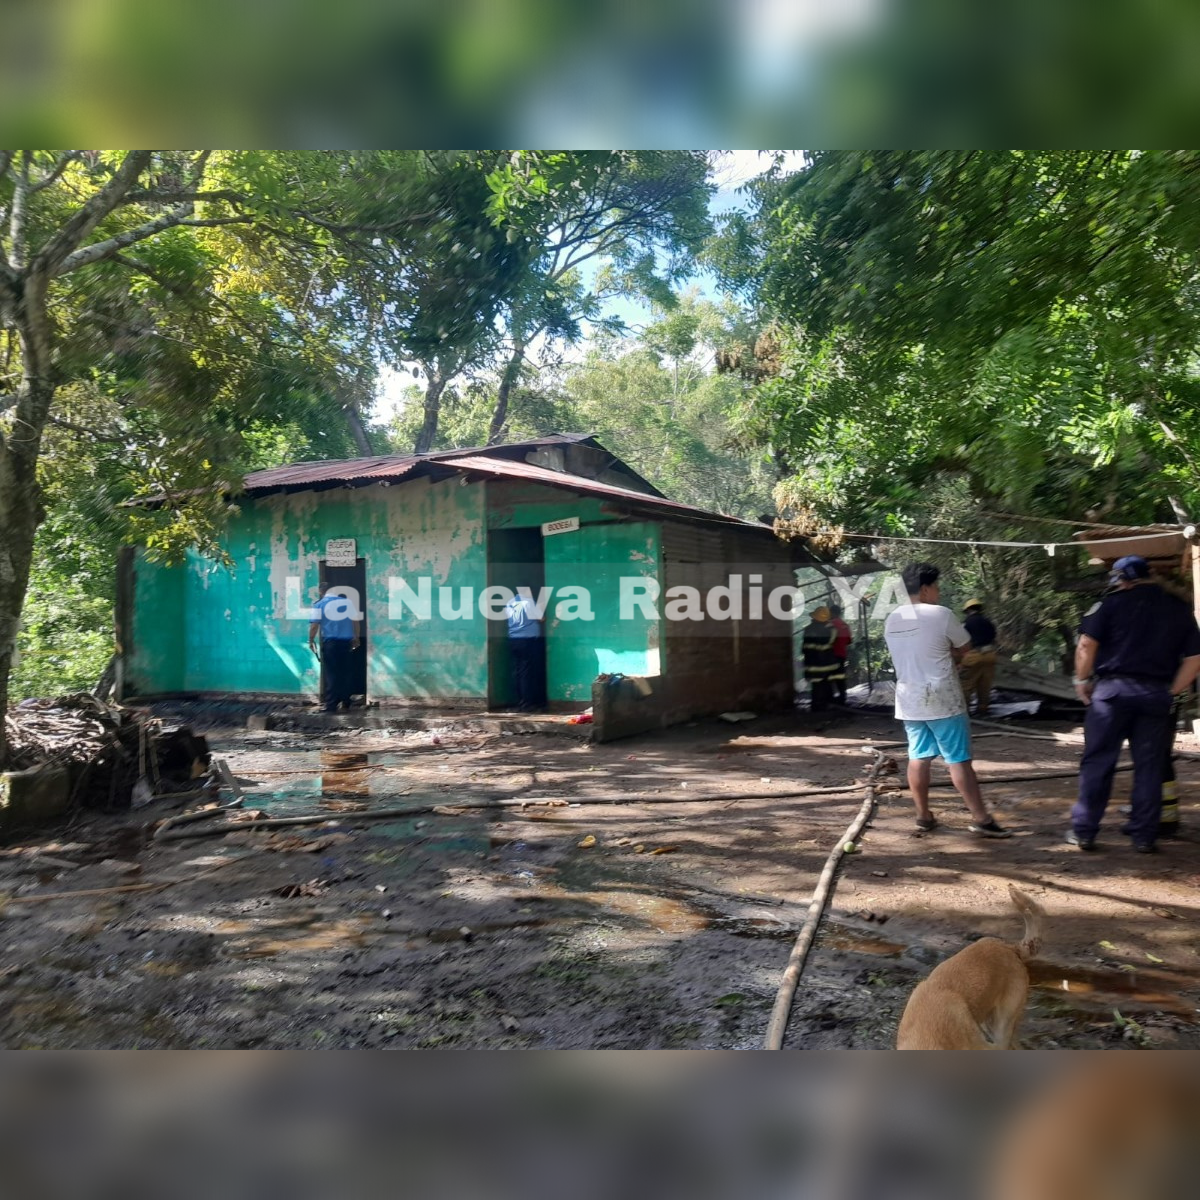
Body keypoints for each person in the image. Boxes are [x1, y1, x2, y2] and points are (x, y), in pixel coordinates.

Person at [1069, 555, 1200, 853]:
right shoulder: (1178, 608)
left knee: (1098, 762)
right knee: (1150, 766)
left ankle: (1085, 832)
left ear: (1121, 579)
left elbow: (1087, 644)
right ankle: (1144, 835)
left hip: (1112, 694)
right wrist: (1173, 690)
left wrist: (1081, 680)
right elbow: (1195, 658)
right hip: (1155, 696)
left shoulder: (1110, 604)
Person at [883, 562, 1011, 838]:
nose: (938, 592)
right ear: (926, 589)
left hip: (909, 700)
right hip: (942, 697)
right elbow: (964, 649)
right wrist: (948, 655)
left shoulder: (892, 618)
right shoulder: (940, 614)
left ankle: (923, 816)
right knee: (958, 760)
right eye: (937, 587)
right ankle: (981, 819)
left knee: (918, 757)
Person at [308, 582, 361, 713]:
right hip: (346, 643)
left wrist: (311, 640)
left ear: (321, 592)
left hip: (330, 643)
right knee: (345, 671)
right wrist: (356, 637)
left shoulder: (319, 604)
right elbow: (356, 621)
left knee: (331, 674)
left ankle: (331, 705)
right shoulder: (347, 602)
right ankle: (346, 702)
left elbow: (314, 625)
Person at [504, 589, 546, 712]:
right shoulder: (528, 602)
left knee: (518, 672)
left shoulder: (509, 602)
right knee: (528, 673)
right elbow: (541, 618)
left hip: (513, 640)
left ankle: (519, 700)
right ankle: (528, 702)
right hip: (528, 641)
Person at [960, 598, 999, 717]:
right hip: (990, 655)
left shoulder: (967, 623)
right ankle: (983, 710)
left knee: (965, 683)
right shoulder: (988, 622)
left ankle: (964, 711)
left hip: (975, 655)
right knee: (984, 683)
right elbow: (994, 636)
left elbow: (962, 640)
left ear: (968, 610)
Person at [802, 606, 841, 712]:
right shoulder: (831, 630)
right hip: (828, 664)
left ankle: (817, 708)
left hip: (813, 665)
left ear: (814, 617)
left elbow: (805, 649)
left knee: (816, 687)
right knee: (828, 686)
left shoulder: (808, 629)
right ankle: (829, 706)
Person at [829, 604, 854, 703]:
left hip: (831, 655)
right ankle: (842, 698)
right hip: (841, 655)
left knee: (829, 677)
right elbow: (849, 641)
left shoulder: (829, 624)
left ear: (832, 613)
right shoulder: (845, 625)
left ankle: (830, 699)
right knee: (840, 676)